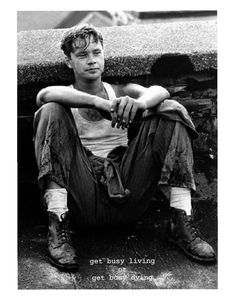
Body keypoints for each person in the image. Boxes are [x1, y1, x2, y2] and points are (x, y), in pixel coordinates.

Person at [33, 24, 216, 271]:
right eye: (82, 55)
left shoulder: (119, 91)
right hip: (82, 199)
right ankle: (57, 222)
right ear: (69, 61)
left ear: (104, 54)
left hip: (127, 191)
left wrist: (140, 105)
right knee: (50, 110)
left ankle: (180, 220)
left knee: (171, 110)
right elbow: (44, 95)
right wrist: (98, 103)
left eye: (96, 53)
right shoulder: (63, 95)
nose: (91, 61)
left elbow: (160, 91)